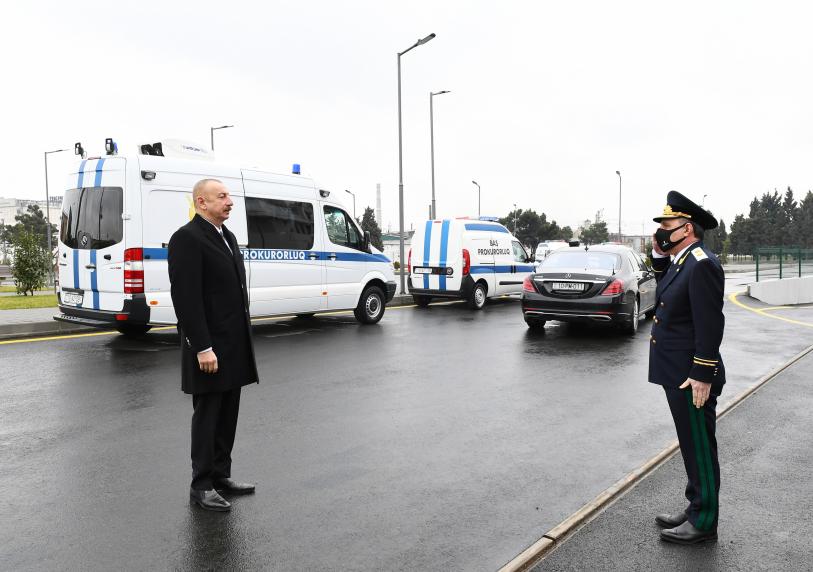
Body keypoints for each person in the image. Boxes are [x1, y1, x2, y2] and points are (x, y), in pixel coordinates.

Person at [168, 178, 259, 512]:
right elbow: (187, 298)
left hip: (233, 344)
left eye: (229, 196)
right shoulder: (186, 239)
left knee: (228, 414)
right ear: (201, 203)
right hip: (209, 347)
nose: (230, 201)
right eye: (222, 196)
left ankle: (221, 476)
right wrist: (202, 346)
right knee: (207, 415)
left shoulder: (227, 236)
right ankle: (201, 484)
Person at [648, 190, 725, 544]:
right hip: (677, 372)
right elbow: (665, 283)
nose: (662, 230)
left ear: (687, 228)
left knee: (699, 447)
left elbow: (710, 324)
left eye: (668, 225)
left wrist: (702, 374)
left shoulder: (702, 263)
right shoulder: (683, 259)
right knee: (690, 443)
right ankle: (696, 505)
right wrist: (658, 251)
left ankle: (704, 520)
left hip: (691, 376)